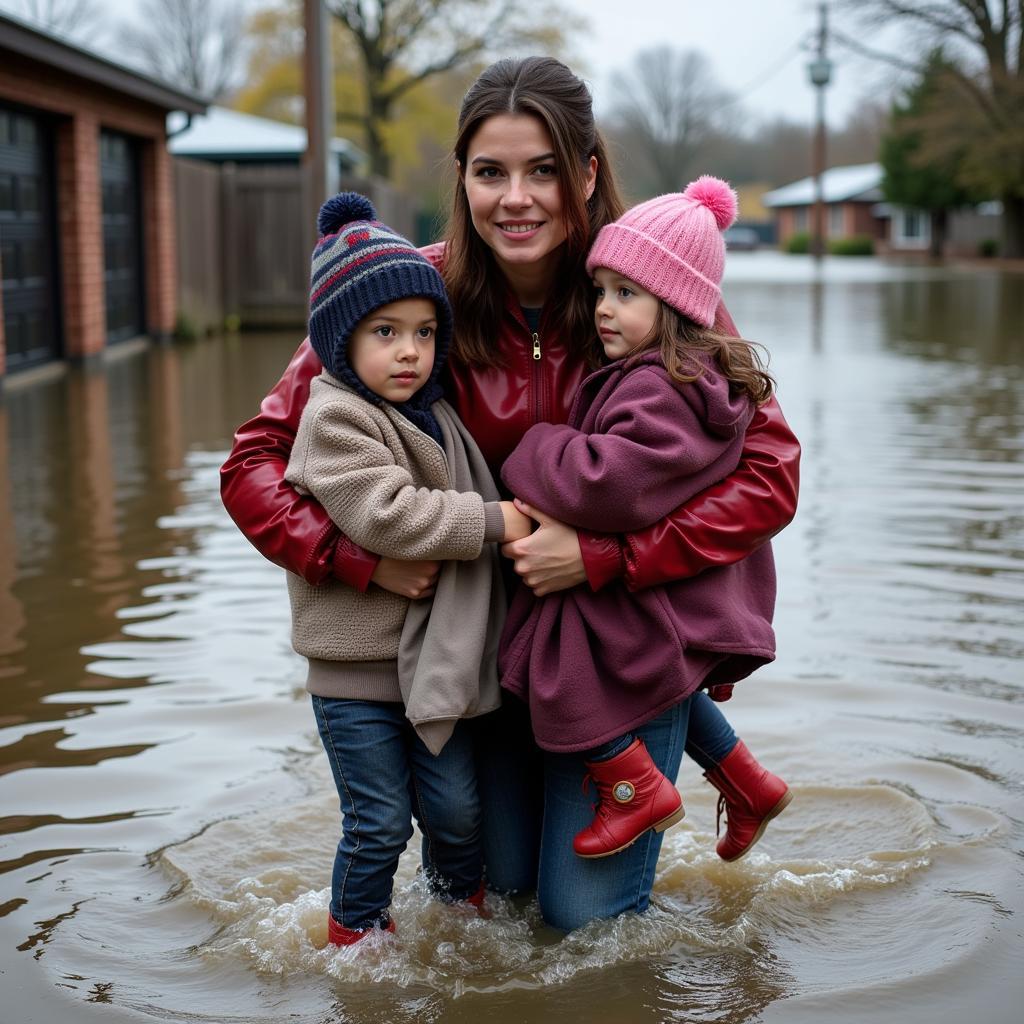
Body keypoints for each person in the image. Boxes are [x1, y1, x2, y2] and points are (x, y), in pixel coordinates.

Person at [220, 56, 801, 931]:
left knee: (580, 925)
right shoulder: (404, 298)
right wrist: (358, 559)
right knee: (486, 908)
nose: (516, 198)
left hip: (624, 648)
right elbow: (254, 462)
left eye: (543, 171)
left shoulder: (650, 292)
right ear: (462, 178)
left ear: (588, 174)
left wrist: (611, 555)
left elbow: (771, 475)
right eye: (491, 172)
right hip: (485, 650)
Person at [499, 176, 793, 861]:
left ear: (680, 306)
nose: (603, 310)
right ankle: (745, 779)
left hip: (659, 585)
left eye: (625, 295)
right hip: (676, 590)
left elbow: (606, 485)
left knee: (551, 655)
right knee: (634, 661)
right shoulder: (684, 372)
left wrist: (536, 448)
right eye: (599, 291)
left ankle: (631, 783)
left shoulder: (662, 385)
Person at [284, 192, 532, 946]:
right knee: (380, 818)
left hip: (433, 661)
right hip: (354, 669)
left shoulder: (437, 412)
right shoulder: (335, 416)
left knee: (457, 811)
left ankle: (459, 916)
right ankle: (356, 937)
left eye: (425, 333)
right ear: (339, 341)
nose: (409, 352)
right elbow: (385, 514)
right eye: (385, 333)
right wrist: (495, 521)